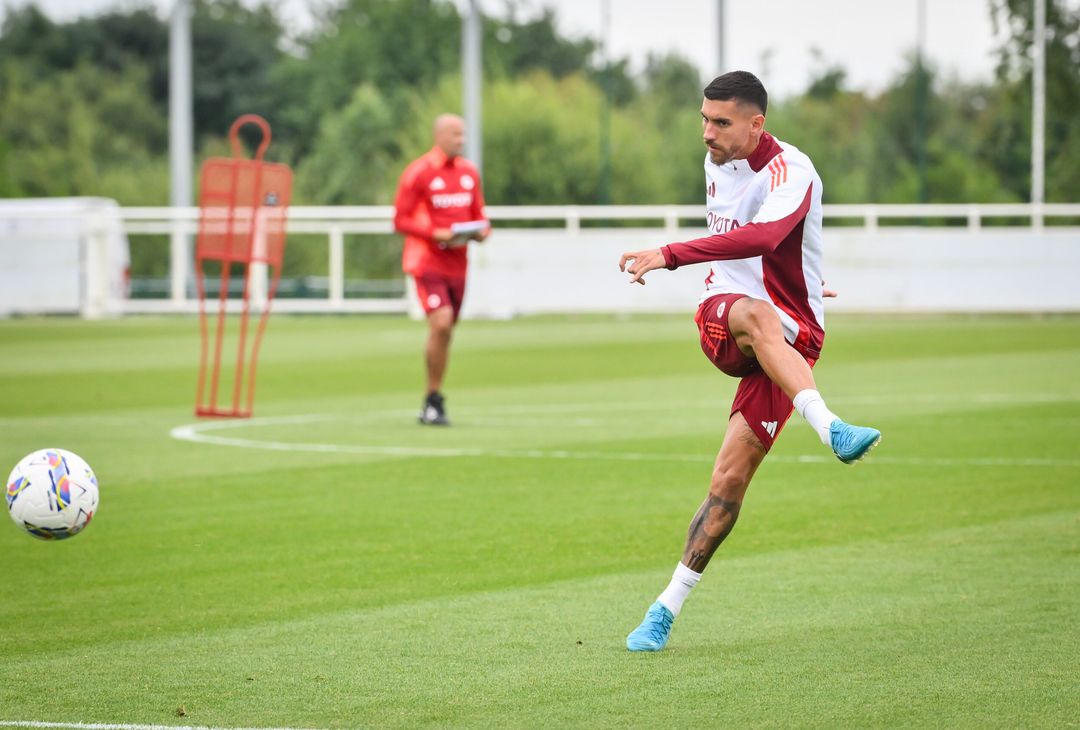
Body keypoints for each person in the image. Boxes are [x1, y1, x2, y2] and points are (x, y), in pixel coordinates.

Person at [619, 71, 881, 652]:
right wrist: (677, 258)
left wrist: (807, 285)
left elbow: (770, 238)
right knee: (758, 314)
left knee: (729, 481)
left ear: (757, 123)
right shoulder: (718, 160)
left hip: (794, 339)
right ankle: (831, 426)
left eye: (721, 123)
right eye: (704, 120)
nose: (707, 134)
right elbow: (748, 247)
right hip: (728, 319)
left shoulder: (793, 170)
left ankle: (664, 607)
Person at [394, 113, 490, 426]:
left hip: (458, 264)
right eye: (455, 135)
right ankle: (433, 398)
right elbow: (400, 219)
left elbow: (480, 215)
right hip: (426, 261)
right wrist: (437, 234)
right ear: (439, 136)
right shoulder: (419, 172)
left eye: (463, 135)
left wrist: (481, 231)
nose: (460, 141)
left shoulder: (468, 173)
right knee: (442, 322)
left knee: (447, 330)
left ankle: (432, 400)